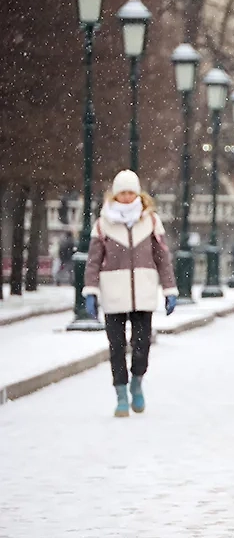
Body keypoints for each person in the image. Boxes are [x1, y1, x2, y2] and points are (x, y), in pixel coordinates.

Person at [83, 170, 178, 417]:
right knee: (116, 346)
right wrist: (91, 291)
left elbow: (162, 258)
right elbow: (93, 261)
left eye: (130, 192)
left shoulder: (151, 221)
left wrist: (169, 289)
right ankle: (121, 395)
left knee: (142, 344)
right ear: (115, 195)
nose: (126, 197)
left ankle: (137, 382)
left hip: (143, 292)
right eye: (122, 193)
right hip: (113, 293)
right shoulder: (103, 224)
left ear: (138, 194)